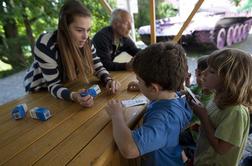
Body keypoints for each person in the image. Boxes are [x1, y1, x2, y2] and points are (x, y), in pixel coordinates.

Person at [105, 42, 192, 165]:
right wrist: (142, 87)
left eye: (139, 80)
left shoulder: (164, 119)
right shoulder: (174, 97)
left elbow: (129, 149)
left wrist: (116, 115)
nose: (137, 82)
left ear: (153, 88)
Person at [24, 0, 120, 107]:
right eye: (79, 30)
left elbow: (98, 68)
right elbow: (53, 85)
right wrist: (74, 96)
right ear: (64, 28)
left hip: (64, 85)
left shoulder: (86, 42)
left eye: (88, 30)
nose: (85, 37)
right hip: (39, 90)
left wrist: (109, 80)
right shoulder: (45, 44)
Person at [189, 48, 252, 166]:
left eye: (212, 71)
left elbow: (221, 148)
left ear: (230, 79)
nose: (204, 72)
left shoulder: (235, 112)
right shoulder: (216, 99)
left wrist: (203, 117)